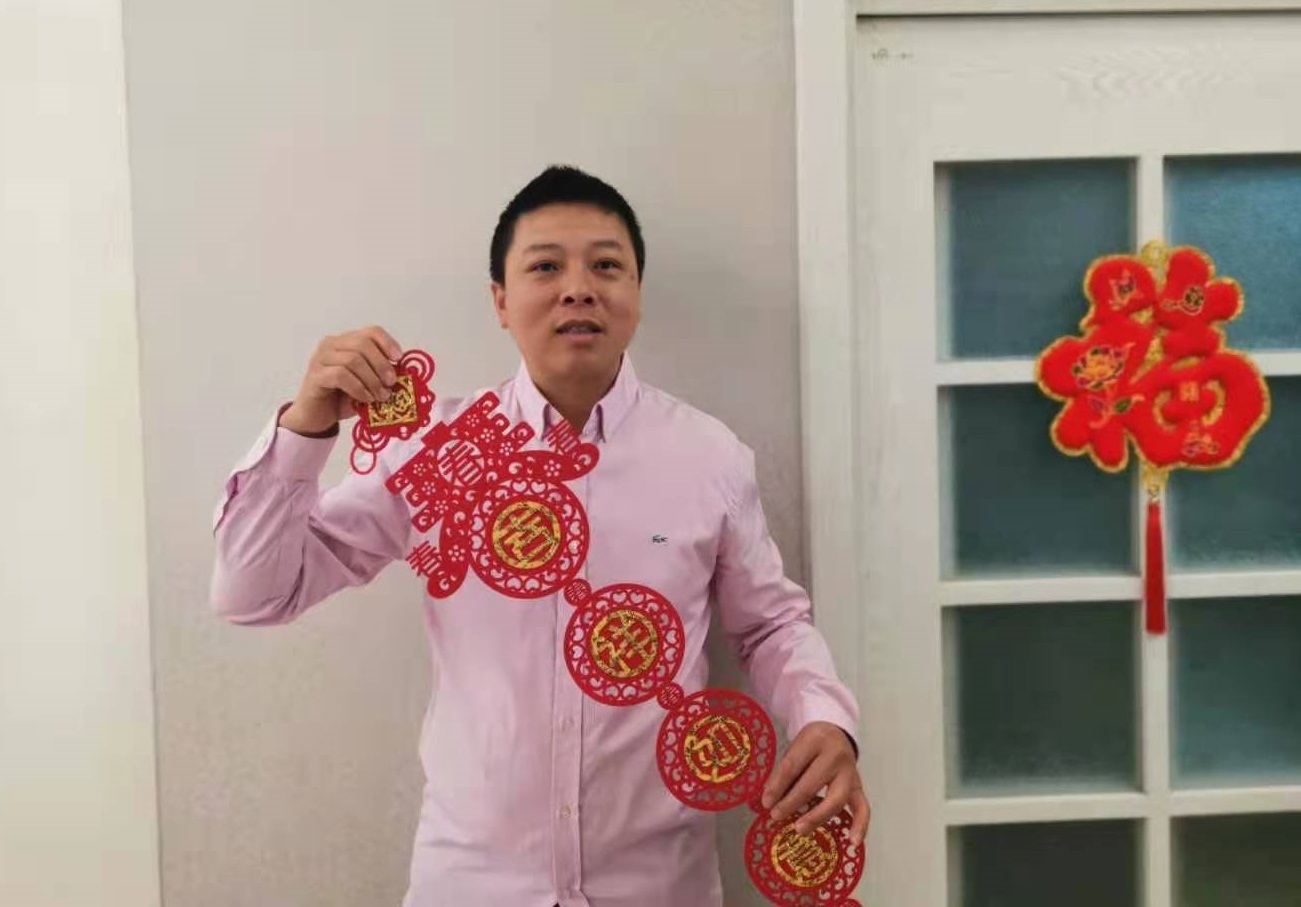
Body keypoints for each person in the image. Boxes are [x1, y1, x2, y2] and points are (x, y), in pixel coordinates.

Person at [210, 165, 868, 907]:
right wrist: (305, 427)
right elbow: (253, 594)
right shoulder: (436, 454)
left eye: (606, 266)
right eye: (546, 266)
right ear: (500, 300)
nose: (578, 288)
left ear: (637, 294)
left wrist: (825, 720)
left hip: (658, 884)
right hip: (472, 883)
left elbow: (770, 624)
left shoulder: (710, 458)